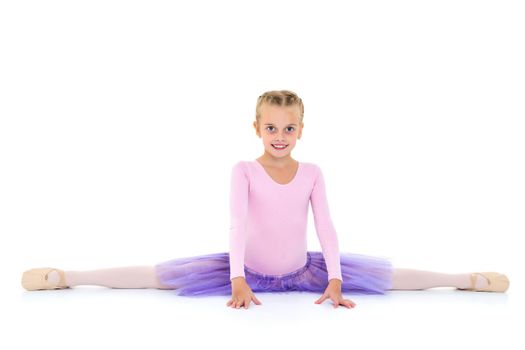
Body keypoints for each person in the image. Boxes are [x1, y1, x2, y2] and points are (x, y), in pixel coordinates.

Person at [21, 89, 510, 309]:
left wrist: (336, 278)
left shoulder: (313, 171)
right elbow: (237, 225)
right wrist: (236, 278)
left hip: (304, 269)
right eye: (271, 127)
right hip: (245, 270)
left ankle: (465, 280)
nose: (280, 135)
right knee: (160, 277)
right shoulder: (244, 170)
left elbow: (327, 229)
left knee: (388, 279)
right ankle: (68, 277)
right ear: (257, 128)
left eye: (289, 127)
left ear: (301, 129)